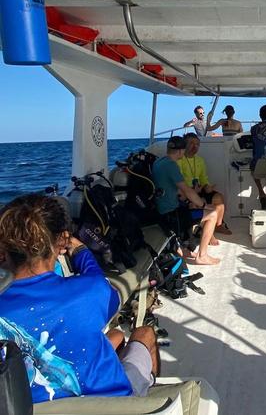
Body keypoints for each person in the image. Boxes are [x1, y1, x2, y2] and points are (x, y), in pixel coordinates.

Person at [0, 194, 159, 403]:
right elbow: (106, 294)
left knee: (115, 336)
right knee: (144, 333)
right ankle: (149, 394)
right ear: (61, 241)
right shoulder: (90, 290)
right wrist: (81, 250)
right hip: (116, 406)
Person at [152, 136, 219, 265]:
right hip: (172, 215)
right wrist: (204, 205)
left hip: (161, 211)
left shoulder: (159, 162)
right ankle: (202, 256)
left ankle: (185, 250)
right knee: (212, 214)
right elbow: (187, 190)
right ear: (181, 151)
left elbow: (172, 188)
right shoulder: (171, 165)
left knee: (192, 207)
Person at [178, 133, 232, 235]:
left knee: (219, 198)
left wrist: (207, 186)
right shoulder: (180, 160)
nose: (195, 146)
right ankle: (206, 231)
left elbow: (203, 178)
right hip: (187, 192)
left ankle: (218, 225)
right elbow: (179, 182)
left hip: (199, 189)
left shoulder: (199, 160)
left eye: (197, 144)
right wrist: (193, 190)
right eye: (192, 143)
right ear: (184, 144)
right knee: (202, 201)